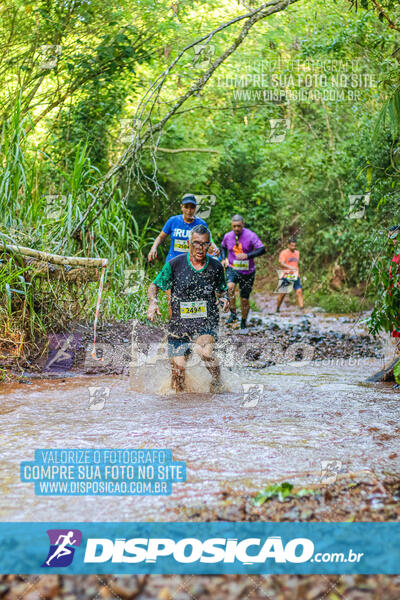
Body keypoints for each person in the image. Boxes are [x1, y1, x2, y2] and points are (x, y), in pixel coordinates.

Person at [147, 224, 229, 392]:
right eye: (196, 243)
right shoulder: (175, 264)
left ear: (209, 245)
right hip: (180, 324)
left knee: (204, 352)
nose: (200, 248)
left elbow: (222, 291)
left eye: (205, 244)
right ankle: (180, 410)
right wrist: (153, 303)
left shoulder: (216, 267)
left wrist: (224, 300)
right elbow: (154, 286)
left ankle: (217, 381)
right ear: (189, 243)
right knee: (178, 372)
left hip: (206, 322)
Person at [221, 215, 265, 329]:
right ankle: (233, 314)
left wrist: (248, 255)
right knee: (229, 288)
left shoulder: (251, 235)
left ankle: (244, 322)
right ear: (231, 225)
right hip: (232, 268)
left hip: (248, 271)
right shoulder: (228, 236)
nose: (236, 228)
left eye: (239, 226)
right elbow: (223, 247)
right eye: (234, 226)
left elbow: (262, 249)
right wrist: (223, 258)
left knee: (244, 299)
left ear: (243, 225)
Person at [147, 194, 219, 263]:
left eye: (192, 207)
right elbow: (161, 237)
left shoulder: (201, 223)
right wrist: (153, 248)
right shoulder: (173, 221)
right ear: (181, 207)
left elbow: (209, 241)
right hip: (173, 261)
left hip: (192, 263)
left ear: (195, 208)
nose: (189, 210)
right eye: (186, 207)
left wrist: (215, 248)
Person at [276, 237, 304, 313]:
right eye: (292, 245)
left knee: (299, 291)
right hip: (286, 275)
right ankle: (277, 308)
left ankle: (302, 310)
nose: (293, 247)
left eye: (294, 246)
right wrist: (290, 267)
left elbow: (296, 264)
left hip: (296, 275)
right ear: (288, 245)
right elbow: (281, 263)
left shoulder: (297, 253)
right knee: (282, 294)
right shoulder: (283, 253)